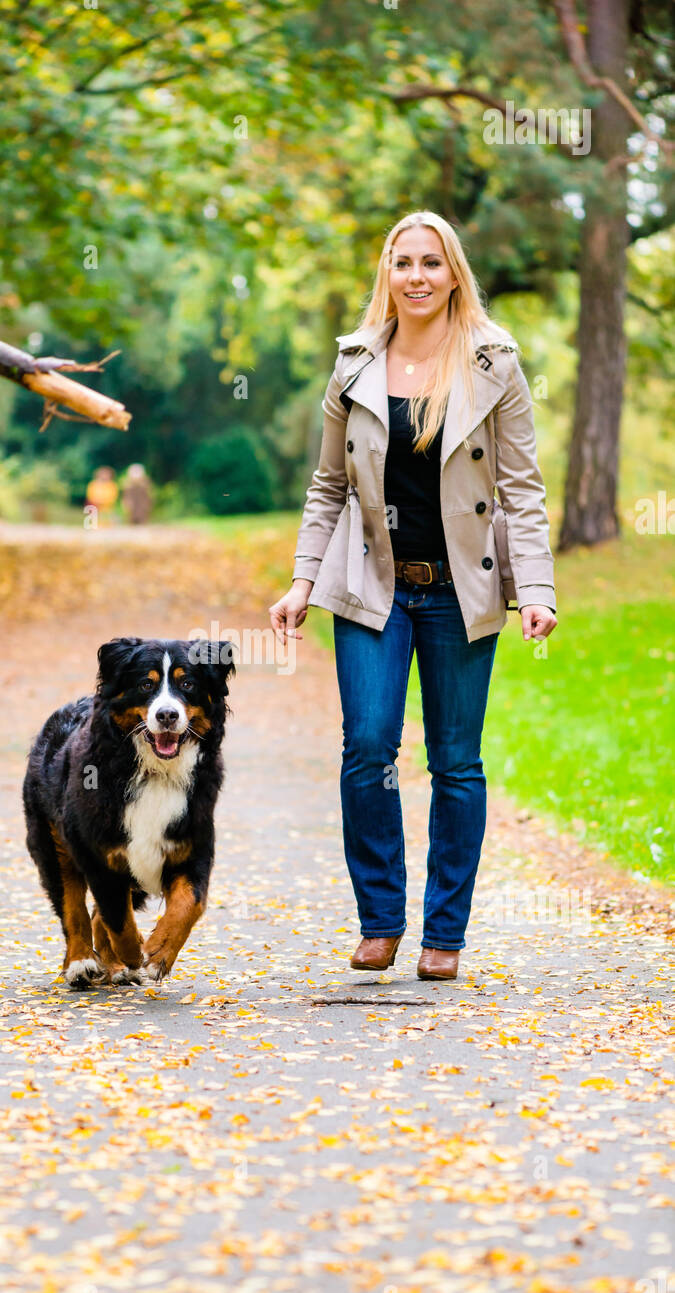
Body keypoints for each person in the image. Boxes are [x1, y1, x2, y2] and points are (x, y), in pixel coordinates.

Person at [269, 209, 557, 983]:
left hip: (460, 591)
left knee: (455, 762)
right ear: (386, 276)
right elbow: (327, 485)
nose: (417, 276)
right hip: (371, 587)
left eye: (432, 262)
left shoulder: (493, 363)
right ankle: (379, 921)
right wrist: (302, 581)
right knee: (367, 747)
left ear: (453, 272)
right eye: (403, 263)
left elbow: (522, 490)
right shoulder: (354, 364)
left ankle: (444, 934)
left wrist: (534, 588)